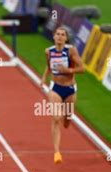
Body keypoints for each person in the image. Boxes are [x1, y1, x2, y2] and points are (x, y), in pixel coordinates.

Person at [40, 26, 84, 164]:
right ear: (54, 37)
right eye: (57, 34)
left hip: (70, 89)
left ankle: (67, 118)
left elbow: (82, 68)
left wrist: (68, 70)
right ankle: (57, 152)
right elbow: (49, 65)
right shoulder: (48, 51)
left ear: (66, 38)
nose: (59, 36)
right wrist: (43, 78)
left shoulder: (71, 51)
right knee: (56, 118)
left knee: (67, 121)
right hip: (56, 88)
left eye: (62, 34)